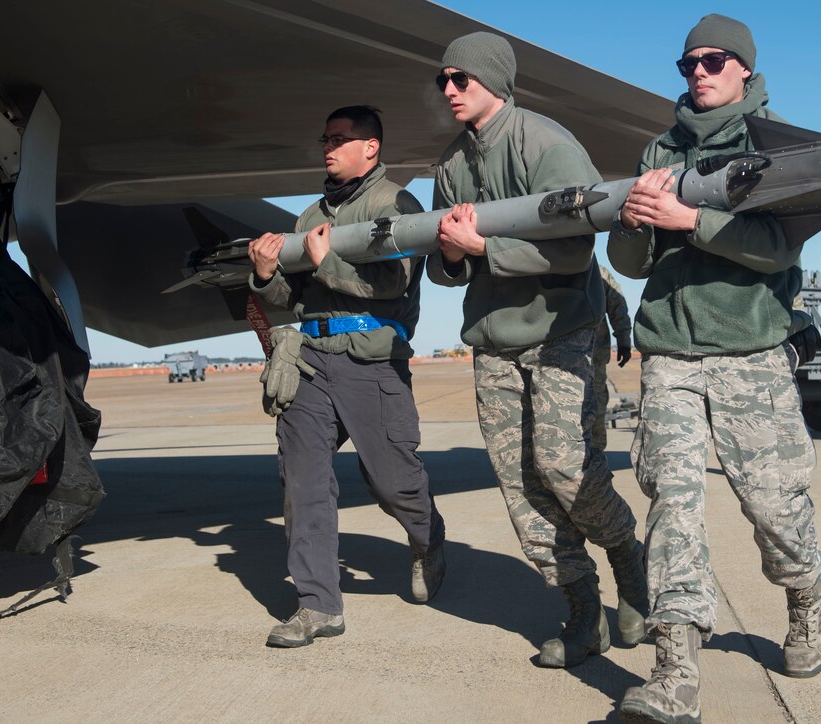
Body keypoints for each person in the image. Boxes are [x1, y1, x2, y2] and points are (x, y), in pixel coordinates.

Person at [607, 15, 821, 722]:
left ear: (743, 68)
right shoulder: (658, 149)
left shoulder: (777, 145)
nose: (698, 73)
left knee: (773, 507)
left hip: (751, 352)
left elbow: (776, 249)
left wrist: (688, 220)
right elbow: (630, 265)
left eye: (712, 61)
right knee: (672, 503)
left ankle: (806, 594)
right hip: (670, 350)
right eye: (687, 65)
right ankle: (674, 669)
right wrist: (637, 226)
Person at [426, 32, 647, 668]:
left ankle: (630, 569)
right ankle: (582, 611)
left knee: (567, 468)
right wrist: (449, 254)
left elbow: (576, 245)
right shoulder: (450, 164)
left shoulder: (545, 144)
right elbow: (446, 271)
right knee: (520, 484)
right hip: (494, 344)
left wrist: (483, 249)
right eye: (444, 79)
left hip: (563, 333)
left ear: (492, 78)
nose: (448, 90)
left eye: (459, 78)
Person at [247, 105, 446, 649]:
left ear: (371, 147)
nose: (329, 147)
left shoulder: (396, 203)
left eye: (341, 139)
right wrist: (265, 276)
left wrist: (328, 259)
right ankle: (318, 605)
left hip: (371, 361)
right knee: (302, 481)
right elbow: (291, 297)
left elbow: (395, 280)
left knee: (392, 482)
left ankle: (428, 537)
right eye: (326, 138)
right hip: (311, 359)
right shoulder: (310, 214)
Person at [591, 265, 634, 453]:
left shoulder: (598, 272)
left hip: (593, 356)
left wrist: (624, 341)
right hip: (554, 357)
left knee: (596, 407)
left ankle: (595, 458)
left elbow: (617, 305)